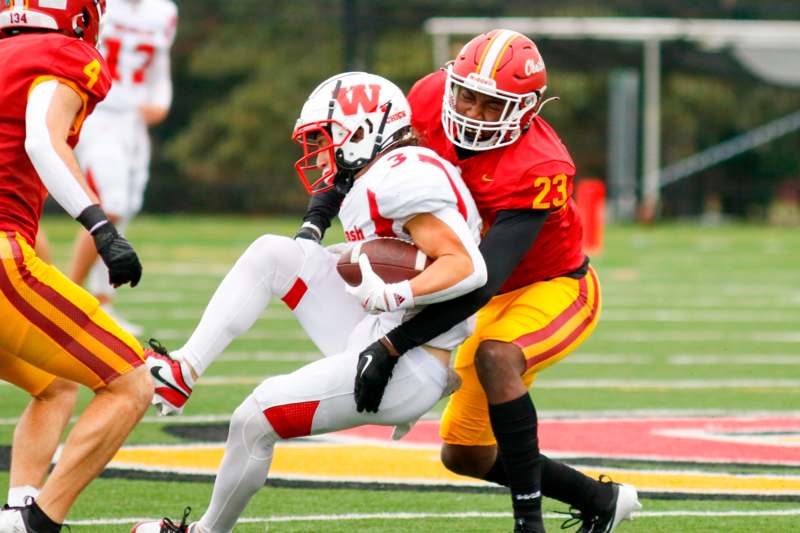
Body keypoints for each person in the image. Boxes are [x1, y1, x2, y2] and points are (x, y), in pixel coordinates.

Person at [296, 30, 642, 533]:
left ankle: (529, 524)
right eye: (467, 96)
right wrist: (313, 223)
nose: (474, 113)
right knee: (464, 454)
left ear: (528, 109)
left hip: (548, 287)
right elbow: (356, 161)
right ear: (451, 83)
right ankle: (599, 500)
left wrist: (393, 345)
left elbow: (479, 280)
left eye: (491, 104)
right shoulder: (427, 98)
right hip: (465, 280)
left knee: (497, 356)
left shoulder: (541, 166)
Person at [131, 71, 487, 532]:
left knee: (253, 418)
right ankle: (182, 370)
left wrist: (395, 291)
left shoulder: (401, 178)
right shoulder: (385, 170)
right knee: (274, 254)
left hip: (407, 364)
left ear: (362, 130)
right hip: (377, 331)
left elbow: (467, 267)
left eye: (326, 137)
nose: (318, 151)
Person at [0, 1, 154, 531]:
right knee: (131, 382)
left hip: (13, 244)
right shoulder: (61, 52)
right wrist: (101, 228)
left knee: (55, 383)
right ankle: (38, 523)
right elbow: (41, 141)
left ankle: (18, 507)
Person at [69, 0, 178, 335]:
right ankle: (68, 297)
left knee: (126, 208)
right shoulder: (100, 4)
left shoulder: (164, 11)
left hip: (133, 119)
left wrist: (161, 101)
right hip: (99, 111)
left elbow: (159, 63)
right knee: (109, 206)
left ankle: (102, 303)